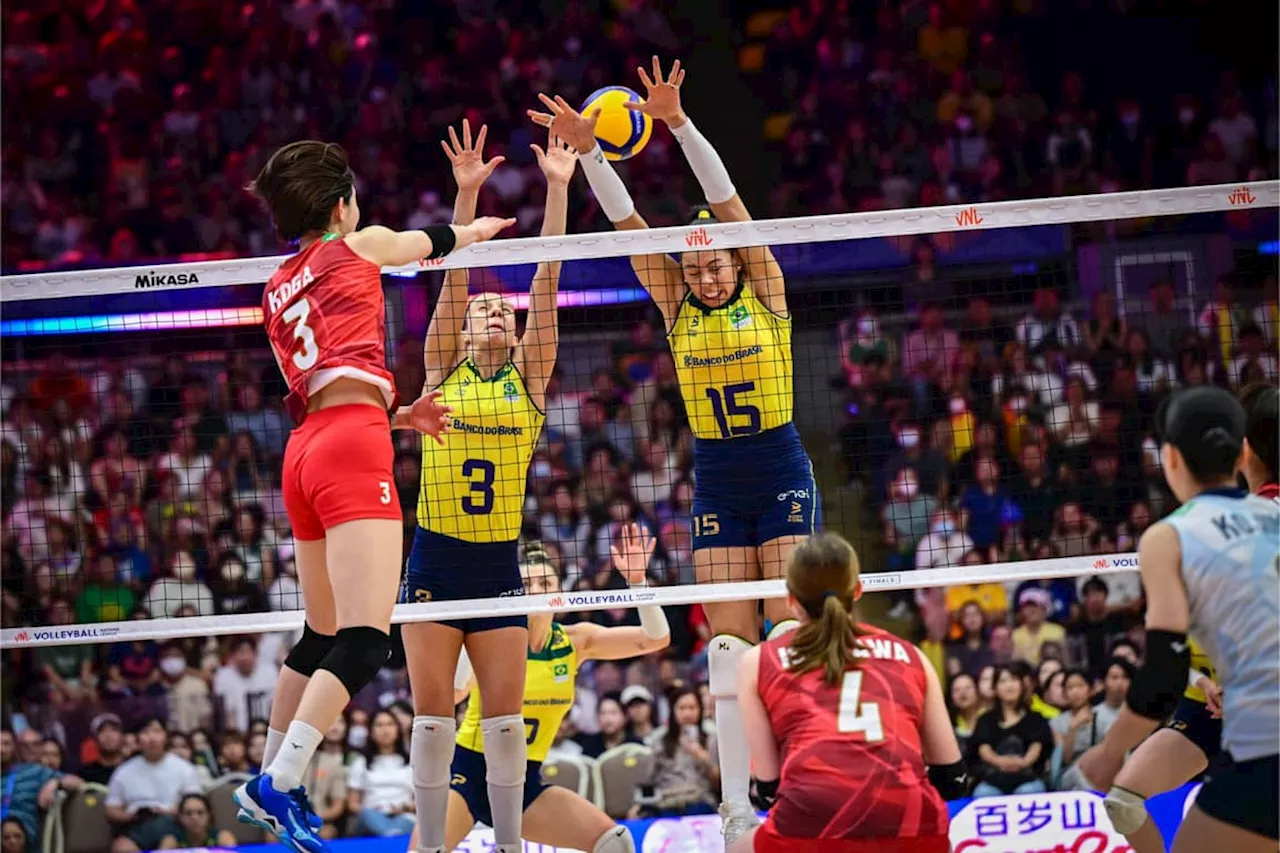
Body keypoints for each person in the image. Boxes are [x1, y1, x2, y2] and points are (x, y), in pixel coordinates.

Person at [530, 58, 821, 842]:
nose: (703, 269)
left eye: (712, 259)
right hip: (720, 477)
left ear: (732, 260)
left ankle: (804, 780)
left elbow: (727, 204)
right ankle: (735, 809)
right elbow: (629, 229)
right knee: (727, 653)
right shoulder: (677, 306)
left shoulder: (765, 284)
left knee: (791, 636)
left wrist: (680, 123)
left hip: (781, 463)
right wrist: (592, 151)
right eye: (692, 264)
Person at [233, 138, 513, 853]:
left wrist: (404, 412)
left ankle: (265, 777)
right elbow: (436, 241)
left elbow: (325, 380)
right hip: (352, 446)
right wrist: (475, 222)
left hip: (304, 451)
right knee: (364, 638)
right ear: (338, 206)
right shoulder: (355, 246)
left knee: (321, 634)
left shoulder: (275, 287)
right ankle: (282, 779)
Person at [399, 122, 576, 853]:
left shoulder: (531, 382)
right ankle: (428, 840)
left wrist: (558, 191)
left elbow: (549, 278)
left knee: (504, 724)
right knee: (434, 720)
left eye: (502, 310)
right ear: (467, 332)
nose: (494, 312)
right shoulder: (443, 371)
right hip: (436, 559)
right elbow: (454, 283)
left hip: (498, 561)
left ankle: (508, 846)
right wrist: (466, 199)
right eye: (483, 311)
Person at [1078, 386, 1279, 853]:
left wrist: (1109, 750)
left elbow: (1161, 669)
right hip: (1211, 704)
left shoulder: (1175, 537)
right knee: (1125, 801)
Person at [404, 524, 669, 853]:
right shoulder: (488, 641)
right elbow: (455, 693)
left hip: (525, 782)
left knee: (615, 843)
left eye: (545, 582)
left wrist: (637, 582)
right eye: (527, 583)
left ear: (559, 589)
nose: (537, 590)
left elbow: (656, 638)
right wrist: (470, 624)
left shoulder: (575, 641)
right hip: (469, 775)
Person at [730, 533, 963, 853]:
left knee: (735, 847)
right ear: (857, 590)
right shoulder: (911, 656)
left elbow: (769, 789)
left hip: (811, 825)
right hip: (913, 824)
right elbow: (953, 778)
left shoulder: (757, 661)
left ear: (790, 599)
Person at [104, 717, 203, 853]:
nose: (152, 738)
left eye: (157, 731)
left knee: (169, 842)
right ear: (137, 739)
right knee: (121, 847)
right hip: (136, 823)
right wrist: (129, 815)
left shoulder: (184, 768)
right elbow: (111, 809)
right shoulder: (124, 771)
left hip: (174, 823)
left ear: (165, 736)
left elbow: (195, 802)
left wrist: (171, 811)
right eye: (145, 732)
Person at [157, 794, 238, 849]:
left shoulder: (223, 837)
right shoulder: (171, 840)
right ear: (180, 817)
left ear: (209, 815)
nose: (195, 818)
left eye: (200, 812)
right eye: (188, 813)